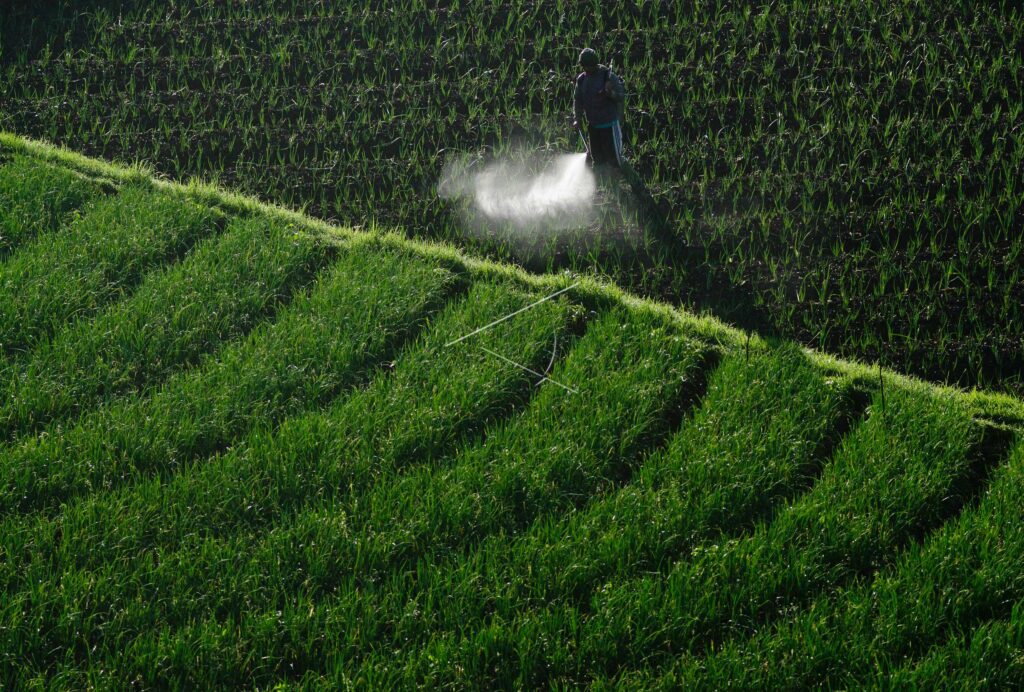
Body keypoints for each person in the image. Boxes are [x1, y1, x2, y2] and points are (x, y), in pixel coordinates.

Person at [572, 47, 626, 169]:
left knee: (617, 159)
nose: (588, 69)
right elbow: (578, 100)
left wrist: (610, 93)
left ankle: (636, 185)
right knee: (598, 160)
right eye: (585, 66)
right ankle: (603, 185)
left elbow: (621, 97)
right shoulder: (582, 80)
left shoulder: (608, 76)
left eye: (590, 66)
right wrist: (577, 118)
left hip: (610, 125)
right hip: (594, 126)